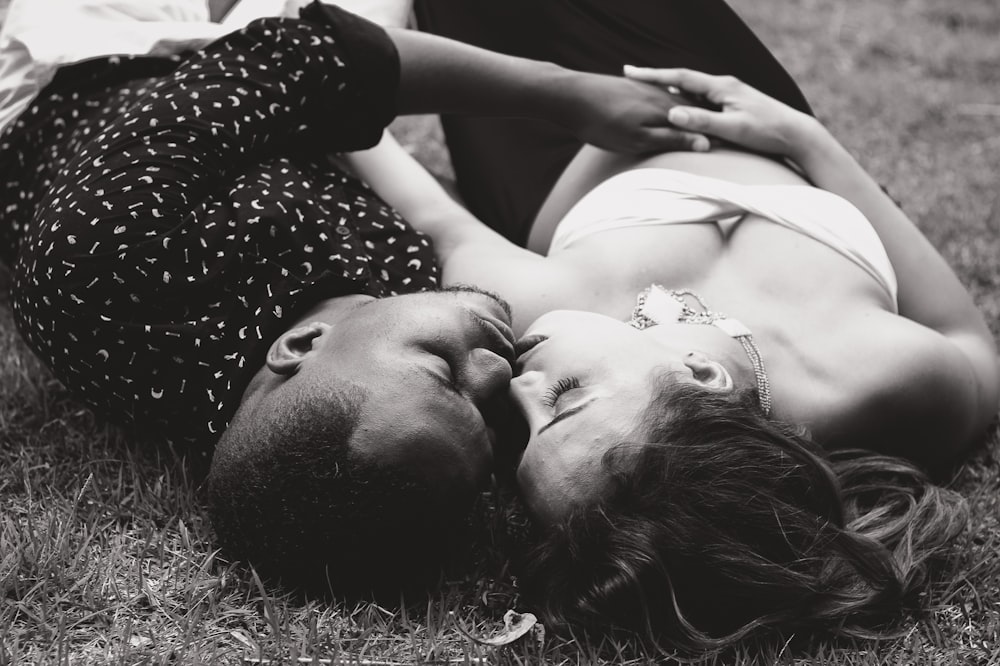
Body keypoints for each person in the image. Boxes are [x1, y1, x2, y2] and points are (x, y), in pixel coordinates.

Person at [335, 0, 1000, 648]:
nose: (515, 389)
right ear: (702, 374)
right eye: (563, 402)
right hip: (739, 98)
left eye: (525, 435)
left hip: (539, 149)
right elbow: (974, 344)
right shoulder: (870, 377)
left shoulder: (541, 301)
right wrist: (803, 136)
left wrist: (323, 57)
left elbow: (421, 199)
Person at [0, 0, 708, 592]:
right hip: (265, 92)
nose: (501, 373)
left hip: (89, 58)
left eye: (442, 369)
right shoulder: (380, 388)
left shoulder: (107, 268)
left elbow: (302, 54)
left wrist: (567, 94)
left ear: (300, 346)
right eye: (486, 423)